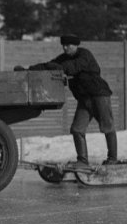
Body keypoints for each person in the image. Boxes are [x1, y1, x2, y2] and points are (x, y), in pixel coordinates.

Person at [17, 34, 118, 166]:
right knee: (77, 129)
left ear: (76, 45)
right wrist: (28, 70)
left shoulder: (85, 55)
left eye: (68, 45)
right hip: (84, 99)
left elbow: (73, 67)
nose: (65, 48)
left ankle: (112, 159)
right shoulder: (63, 59)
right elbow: (48, 65)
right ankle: (82, 161)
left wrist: (58, 68)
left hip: (99, 96)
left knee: (107, 126)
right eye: (63, 45)